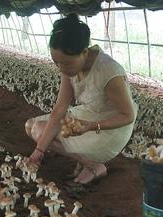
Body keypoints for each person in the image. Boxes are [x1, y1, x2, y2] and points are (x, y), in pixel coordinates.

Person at [25, 14, 137, 184]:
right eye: (56, 63)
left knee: (41, 131)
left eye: (67, 63)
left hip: (108, 130)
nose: (62, 68)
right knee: (31, 126)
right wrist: (39, 150)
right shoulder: (68, 68)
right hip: (87, 116)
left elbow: (128, 116)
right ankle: (88, 164)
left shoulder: (109, 72)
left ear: (85, 52)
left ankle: (93, 165)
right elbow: (60, 108)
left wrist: (92, 126)